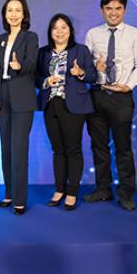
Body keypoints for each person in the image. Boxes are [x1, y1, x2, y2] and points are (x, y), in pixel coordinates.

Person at [84, 0, 137, 211]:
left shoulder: (135, 34)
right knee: (98, 146)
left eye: (118, 8)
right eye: (109, 8)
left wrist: (128, 85)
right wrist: (96, 68)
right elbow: (86, 66)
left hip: (121, 96)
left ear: (124, 10)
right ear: (102, 10)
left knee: (123, 147)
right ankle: (103, 188)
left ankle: (126, 193)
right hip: (97, 94)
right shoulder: (93, 34)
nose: (113, 13)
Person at [36, 13, 96, 211]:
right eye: (55, 28)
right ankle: (59, 189)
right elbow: (35, 78)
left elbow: (93, 76)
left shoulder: (81, 50)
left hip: (74, 105)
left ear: (70, 30)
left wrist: (81, 73)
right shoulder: (43, 52)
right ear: (50, 32)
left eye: (64, 27)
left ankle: (72, 191)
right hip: (50, 104)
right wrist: (46, 80)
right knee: (58, 149)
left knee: (73, 149)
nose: (59, 31)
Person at [0, 0, 38, 215]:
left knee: (19, 149)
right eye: (10, 10)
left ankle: (20, 199)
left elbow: (32, 64)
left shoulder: (30, 37)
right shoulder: (0, 39)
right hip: (2, 98)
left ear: (24, 14)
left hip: (22, 98)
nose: (14, 14)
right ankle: (9, 194)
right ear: (5, 14)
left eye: (18, 10)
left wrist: (20, 66)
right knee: (6, 149)